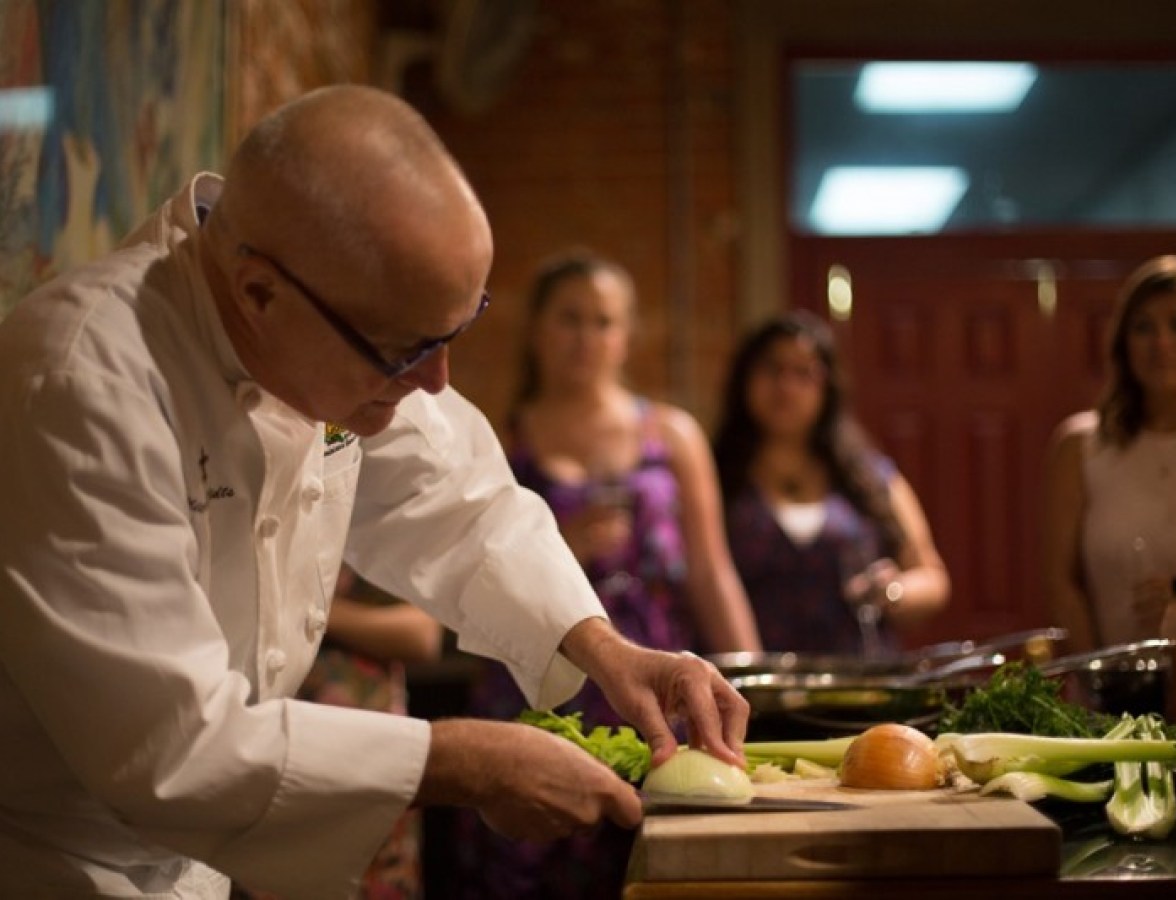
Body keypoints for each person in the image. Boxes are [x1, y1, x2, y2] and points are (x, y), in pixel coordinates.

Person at [0, 85, 749, 899]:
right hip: (52, 864)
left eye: (456, 334)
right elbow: (168, 746)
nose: (436, 383)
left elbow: (462, 501)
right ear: (258, 293)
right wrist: (457, 761)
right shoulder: (81, 384)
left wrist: (606, 648)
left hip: (195, 869)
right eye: (404, 351)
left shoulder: (309, 331)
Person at [455, 250, 761, 899]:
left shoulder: (670, 435)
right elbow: (468, 567)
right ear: (536, 329)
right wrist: (558, 546)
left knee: (649, 869)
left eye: (604, 321)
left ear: (626, 337)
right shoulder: (498, 440)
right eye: (570, 319)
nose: (587, 338)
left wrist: (752, 674)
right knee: (529, 865)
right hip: (537, 686)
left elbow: (711, 571)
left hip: (653, 683)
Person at [710, 311, 949, 657]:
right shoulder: (711, 476)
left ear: (828, 387)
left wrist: (894, 591)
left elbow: (933, 578)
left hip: (860, 684)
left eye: (804, 373)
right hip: (751, 686)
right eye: (773, 369)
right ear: (745, 379)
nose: (786, 386)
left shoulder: (868, 476)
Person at [233, 563, 442, 900]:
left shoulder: (370, 526)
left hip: (371, 741)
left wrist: (309, 613)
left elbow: (421, 635)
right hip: (274, 741)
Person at [1042, 254, 1176, 654]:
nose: (1161, 343)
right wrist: (1101, 681)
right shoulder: (1081, 446)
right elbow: (1060, 582)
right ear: (1122, 341)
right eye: (1144, 327)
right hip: (1111, 697)